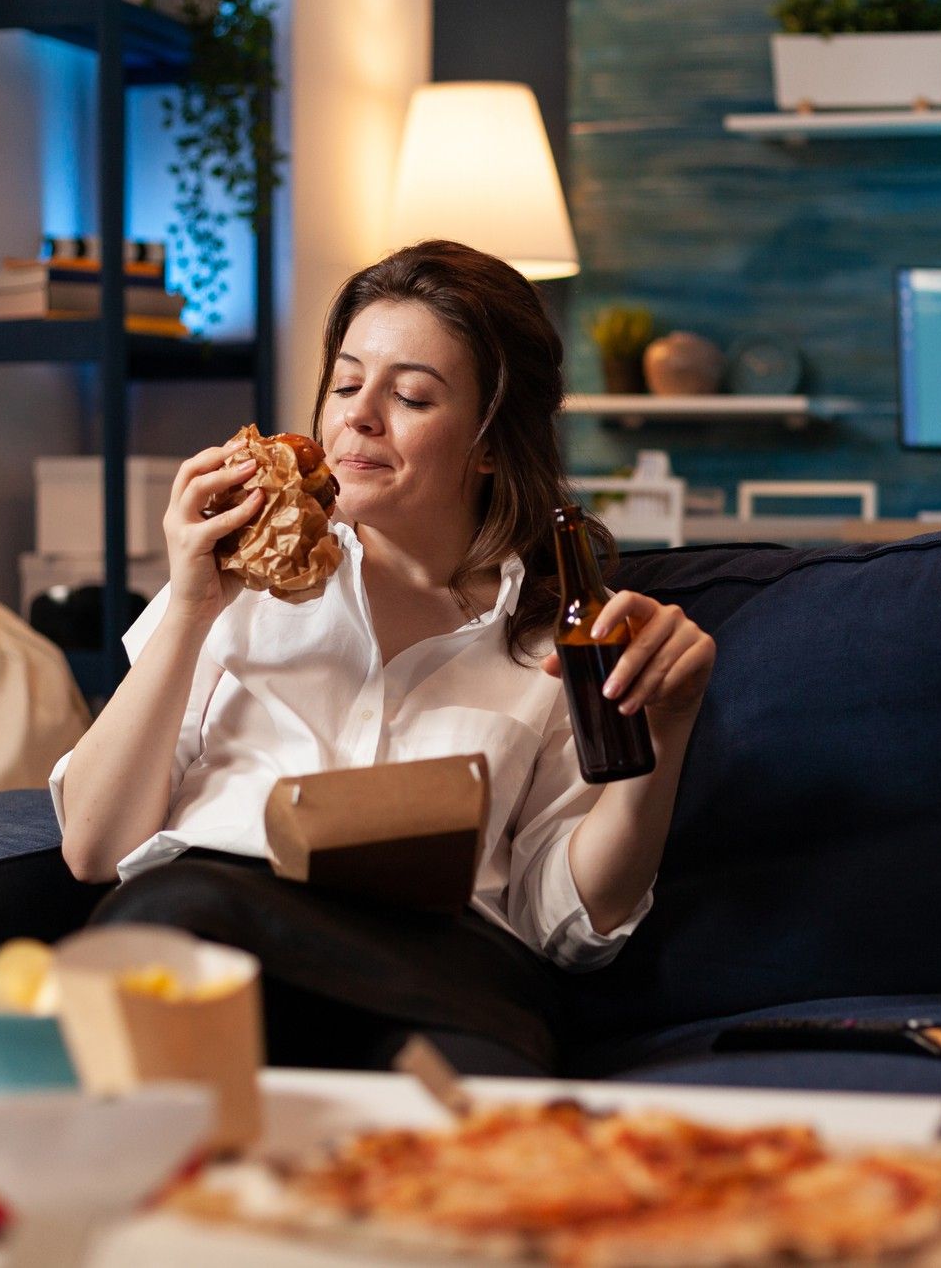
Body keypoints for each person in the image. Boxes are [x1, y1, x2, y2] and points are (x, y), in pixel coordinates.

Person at [47, 239, 716, 1072]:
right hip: (216, 926)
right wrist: (189, 606)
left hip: (441, 967)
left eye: (410, 395)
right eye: (346, 383)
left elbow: (571, 923)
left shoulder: (559, 638)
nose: (360, 416)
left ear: (489, 441)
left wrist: (669, 726)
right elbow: (94, 847)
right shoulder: (231, 580)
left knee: (490, 1069)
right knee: (169, 918)